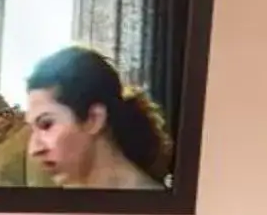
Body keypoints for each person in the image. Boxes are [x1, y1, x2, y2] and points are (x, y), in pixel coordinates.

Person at [23, 46, 171, 190]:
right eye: (32, 129)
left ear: (94, 119)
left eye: (47, 124)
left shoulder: (160, 211)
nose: (34, 149)